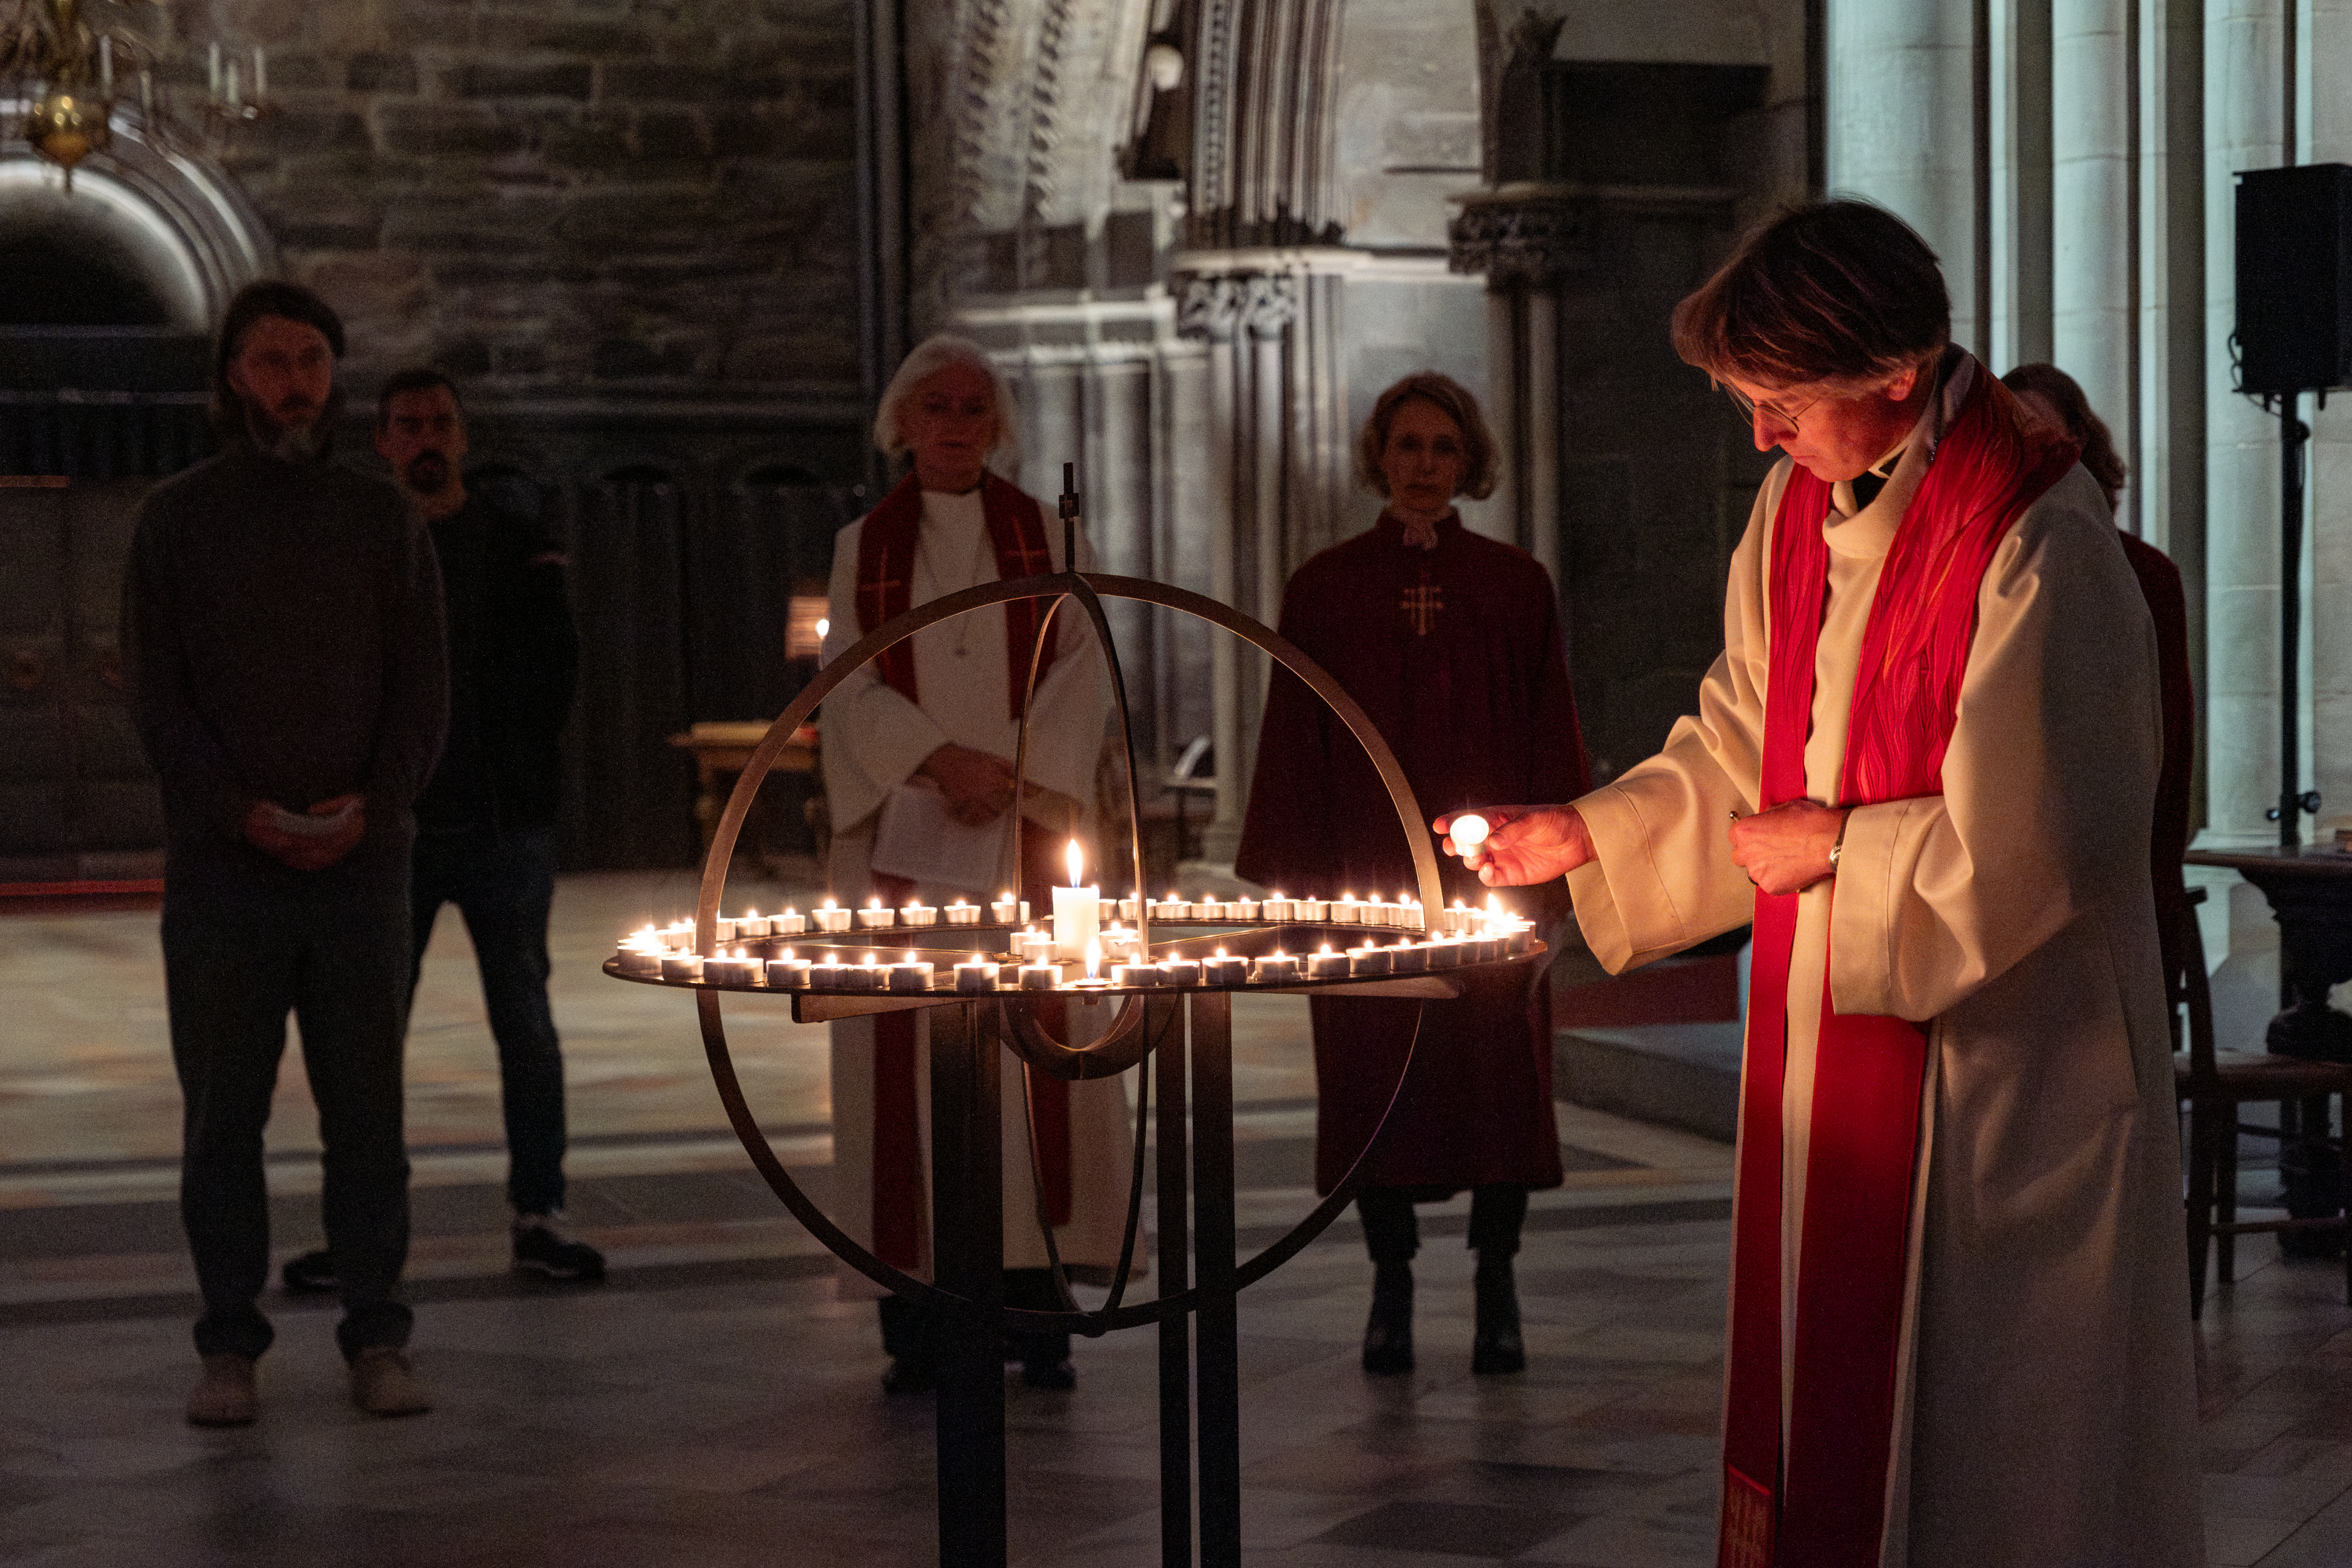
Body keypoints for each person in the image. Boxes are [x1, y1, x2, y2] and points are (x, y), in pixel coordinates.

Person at [1448, 202, 2201, 1565]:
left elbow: (2055, 840)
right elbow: (1743, 738)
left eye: (1776, 404)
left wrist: (1841, 850)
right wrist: (1586, 831)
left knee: (1997, 1456)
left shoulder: (2036, 536)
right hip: (1839, 1046)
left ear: (1894, 378)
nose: (1757, 440)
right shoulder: (1799, 511)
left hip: (2000, 1082)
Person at [127, 281, 449, 1426]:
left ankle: (378, 1332)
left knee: (369, 1114)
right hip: (226, 874)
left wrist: (378, 804)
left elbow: (421, 690)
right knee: (224, 1118)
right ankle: (229, 1342)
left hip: (363, 867)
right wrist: (239, 812)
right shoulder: (177, 519)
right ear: (232, 378)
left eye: (312, 357)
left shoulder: (381, 516)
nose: (294, 380)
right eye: (272, 359)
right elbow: (159, 702)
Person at [1236, 373, 1590, 1377]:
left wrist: (1553, 876)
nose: (1425, 465)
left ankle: (1496, 1284)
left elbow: (1548, 729)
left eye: (1442, 448)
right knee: (1371, 1079)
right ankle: (1389, 1287)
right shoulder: (1325, 587)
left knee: (1496, 1078)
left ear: (1467, 459)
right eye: (1408, 446)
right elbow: (1292, 744)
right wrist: (1296, 891)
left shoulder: (1515, 583)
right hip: (1361, 880)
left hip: (1491, 878)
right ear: (1379, 456)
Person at [819, 334, 1124, 1393]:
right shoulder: (869, 542)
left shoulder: (1043, 530)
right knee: (914, 1061)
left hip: (1026, 829)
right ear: (901, 421)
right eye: (933, 406)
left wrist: (1016, 769)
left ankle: (1033, 1290)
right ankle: (922, 1301)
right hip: (912, 829)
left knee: (1028, 1049)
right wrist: (940, 760)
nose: (952, 424)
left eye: (972, 407)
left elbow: (1081, 665)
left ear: (998, 425)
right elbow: (847, 678)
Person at [278, 369, 602, 1297]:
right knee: (368, 1035)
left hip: (501, 825)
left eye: (441, 424)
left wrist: (500, 764)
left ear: (463, 439)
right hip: (393, 831)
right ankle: (363, 1233)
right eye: (408, 425)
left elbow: (552, 675)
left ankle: (541, 1216)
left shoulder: (515, 544)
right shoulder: (361, 545)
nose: (425, 438)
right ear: (382, 442)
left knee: (526, 1027)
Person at [2001, 362, 2197, 983]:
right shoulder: (1979, 566)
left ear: (2075, 445)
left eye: (2034, 431)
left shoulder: (2144, 572)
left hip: (2109, 869)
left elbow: (2163, 745)